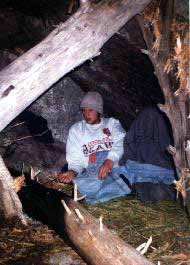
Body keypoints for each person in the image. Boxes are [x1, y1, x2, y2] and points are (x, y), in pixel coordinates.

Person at [58, 91, 130, 204]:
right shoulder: (77, 130)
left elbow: (122, 141)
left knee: (132, 169)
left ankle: (101, 190)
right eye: (84, 110)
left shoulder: (112, 124)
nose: (87, 114)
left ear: (99, 110)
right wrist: (73, 171)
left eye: (90, 110)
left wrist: (110, 160)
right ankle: (112, 188)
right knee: (84, 181)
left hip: (115, 166)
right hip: (93, 172)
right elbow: (76, 159)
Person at [123, 104, 176, 202]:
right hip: (140, 180)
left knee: (159, 192)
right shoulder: (133, 144)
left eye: (149, 122)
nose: (145, 126)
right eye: (143, 121)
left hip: (155, 184)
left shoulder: (159, 149)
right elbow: (127, 164)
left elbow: (169, 173)